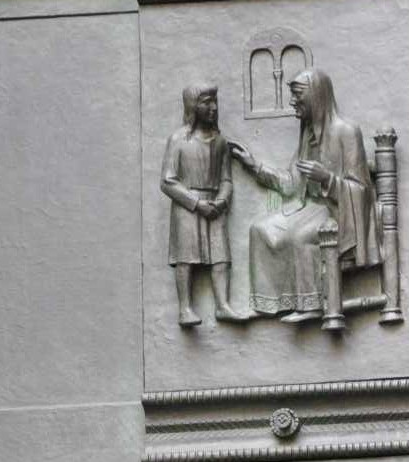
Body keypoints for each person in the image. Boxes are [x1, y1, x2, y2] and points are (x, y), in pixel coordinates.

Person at [230, 68, 380, 323]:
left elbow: (362, 191)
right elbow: (291, 183)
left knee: (301, 237)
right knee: (259, 230)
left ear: (316, 95)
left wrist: (328, 179)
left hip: (339, 212)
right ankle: (267, 304)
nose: (292, 102)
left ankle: (310, 305)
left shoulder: (346, 131)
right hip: (308, 209)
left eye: (297, 95)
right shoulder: (308, 135)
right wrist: (254, 166)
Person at [161, 83, 246, 326]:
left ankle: (222, 305)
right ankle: (185, 308)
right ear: (192, 106)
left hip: (214, 204)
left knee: (220, 256)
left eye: (214, 101)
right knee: (186, 257)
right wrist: (197, 204)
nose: (214, 107)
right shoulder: (178, 140)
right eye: (207, 102)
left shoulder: (220, 141)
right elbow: (167, 181)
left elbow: (226, 179)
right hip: (187, 207)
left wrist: (221, 201)